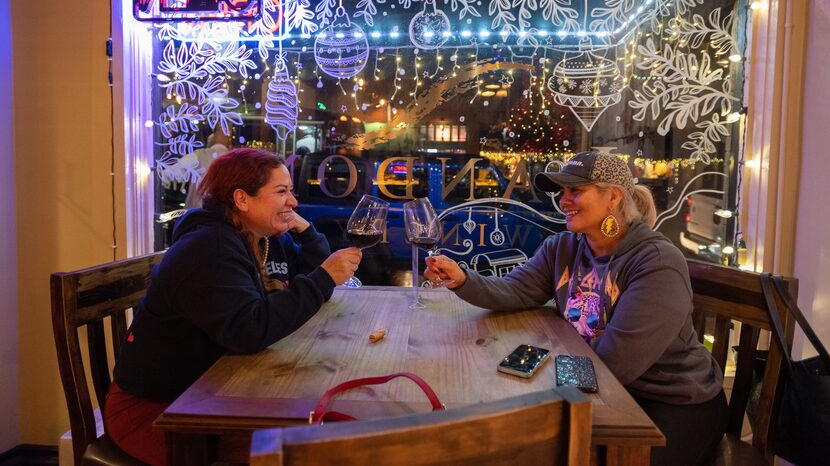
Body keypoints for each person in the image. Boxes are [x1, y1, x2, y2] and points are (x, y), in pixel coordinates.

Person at [425, 151, 727, 466]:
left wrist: (539, 362)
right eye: (561, 192)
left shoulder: (655, 262)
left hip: (672, 400)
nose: (563, 201)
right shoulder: (563, 247)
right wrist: (461, 279)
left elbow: (616, 362)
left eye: (575, 191)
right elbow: (514, 290)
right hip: (600, 388)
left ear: (613, 197)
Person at [104, 148, 361, 465]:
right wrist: (322, 278)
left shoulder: (255, 239)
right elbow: (248, 331)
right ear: (242, 200)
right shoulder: (209, 247)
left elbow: (294, 291)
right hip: (156, 411)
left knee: (322, 430)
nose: (293, 202)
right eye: (281, 192)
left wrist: (312, 252)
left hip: (207, 394)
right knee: (312, 450)